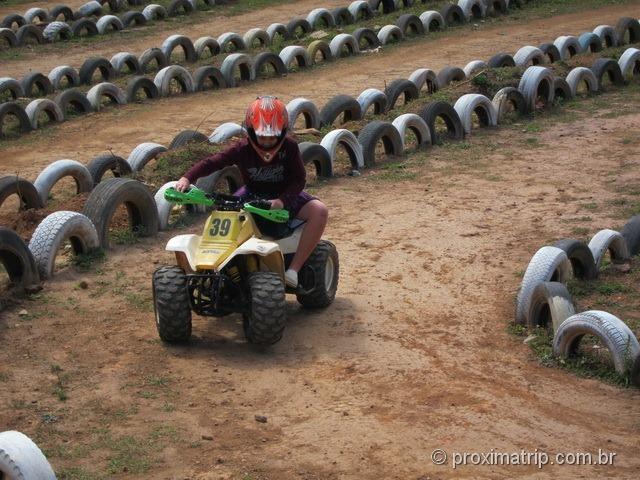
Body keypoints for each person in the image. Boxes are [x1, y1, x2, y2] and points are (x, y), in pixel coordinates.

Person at [175, 96, 328, 289]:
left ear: (282, 133)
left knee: (319, 211)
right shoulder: (242, 148)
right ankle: (217, 267)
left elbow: (299, 179)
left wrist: (282, 200)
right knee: (223, 212)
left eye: (272, 136)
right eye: (262, 136)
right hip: (252, 194)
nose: (267, 141)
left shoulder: (289, 148)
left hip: (284, 195)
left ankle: (293, 270)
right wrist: (187, 178)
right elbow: (214, 162)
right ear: (251, 131)